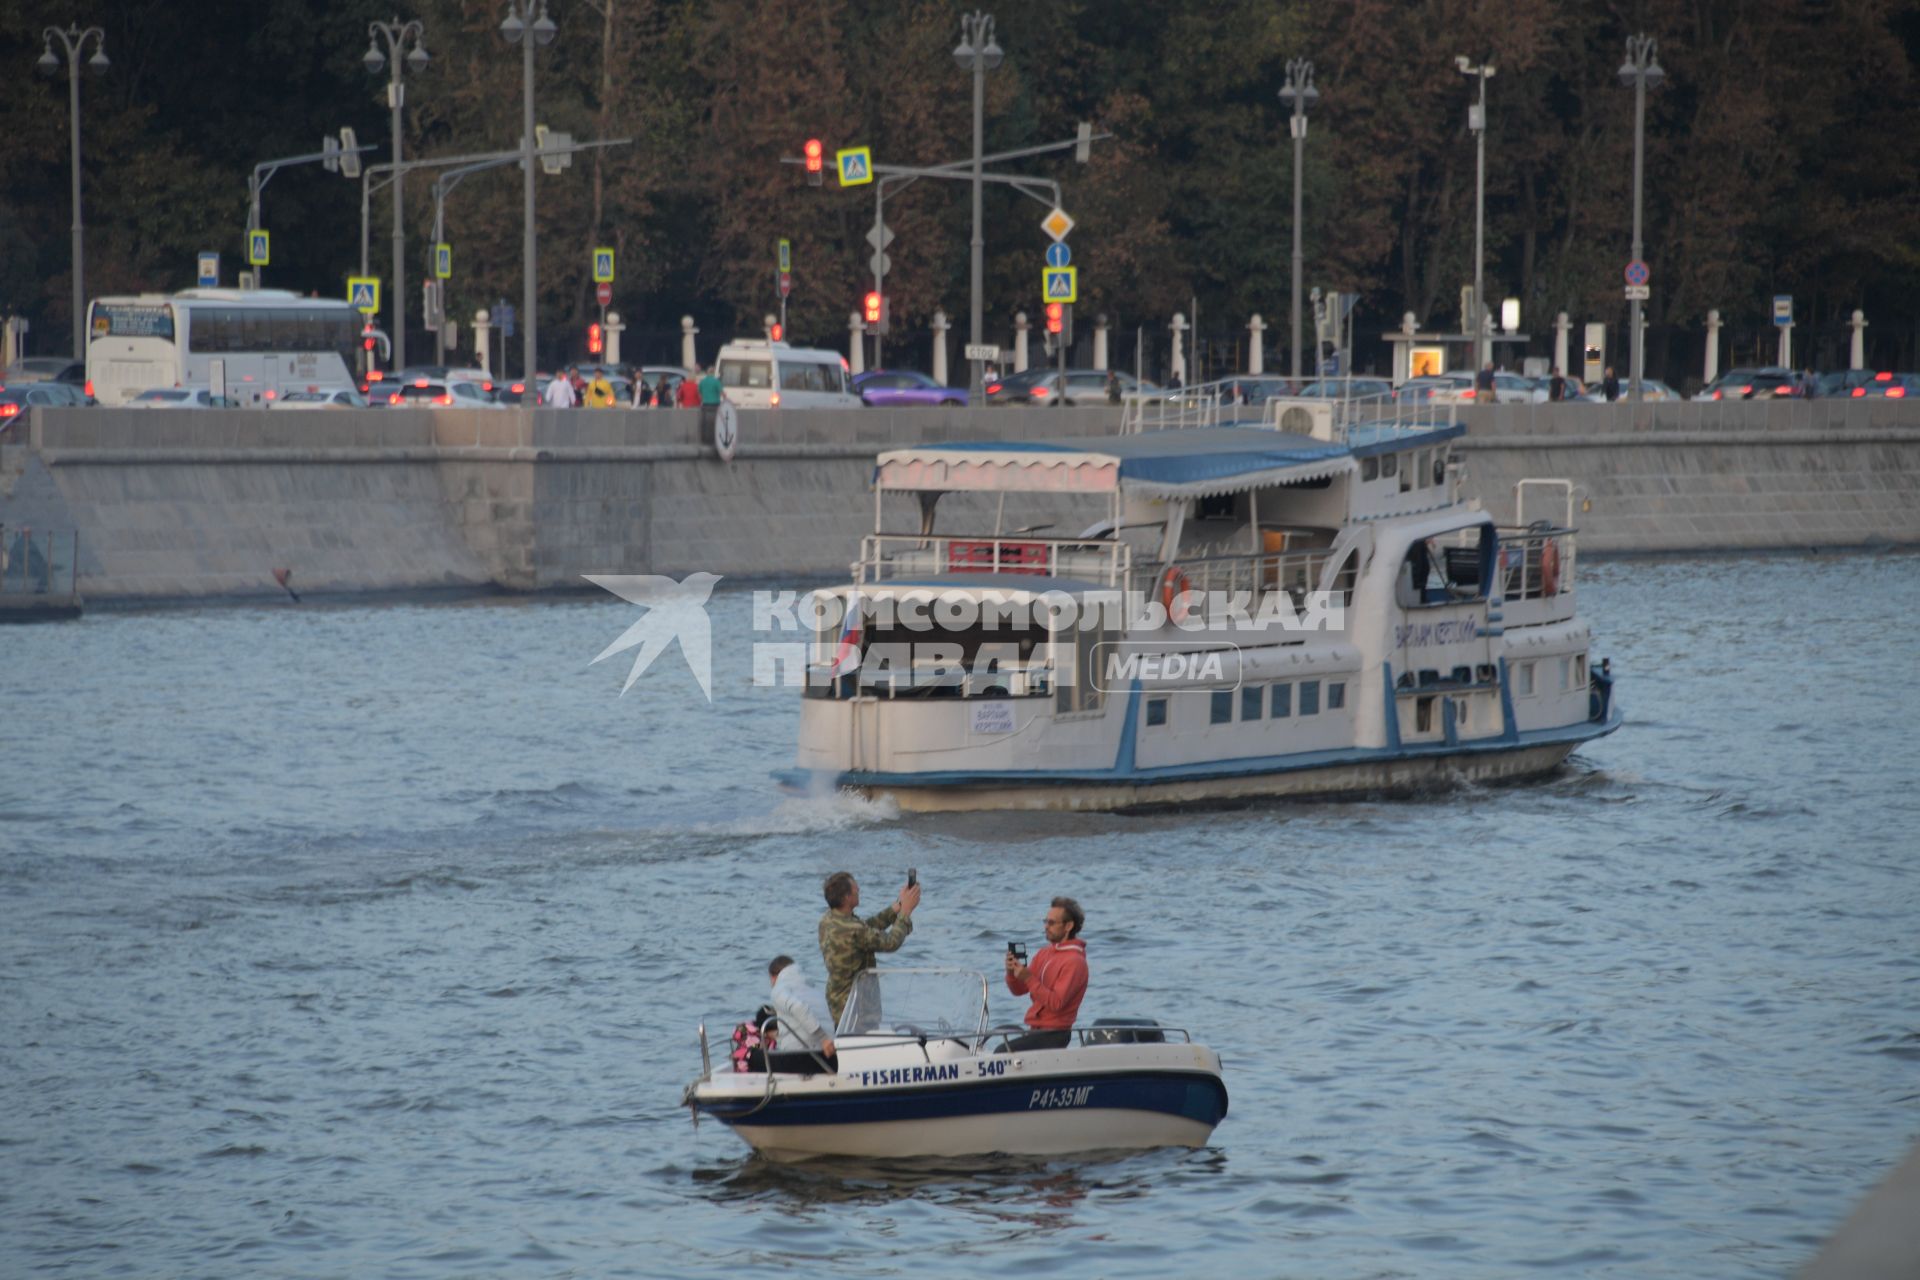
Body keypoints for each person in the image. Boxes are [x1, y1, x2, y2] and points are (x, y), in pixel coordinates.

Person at [817, 870, 919, 1027]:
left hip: (840, 1004)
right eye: (855, 888)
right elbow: (891, 942)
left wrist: (898, 907)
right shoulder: (853, 929)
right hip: (857, 1008)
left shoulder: (829, 919)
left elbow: (866, 928)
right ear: (846, 897)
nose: (858, 890)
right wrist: (905, 913)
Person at [1002, 896, 1088, 1052]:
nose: (1046, 927)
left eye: (1052, 923)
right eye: (1045, 922)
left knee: (1002, 1053)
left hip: (1055, 1033)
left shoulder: (1075, 961)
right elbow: (1019, 990)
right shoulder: (1044, 953)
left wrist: (1028, 978)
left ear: (1068, 926)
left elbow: (1056, 1003)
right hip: (1035, 1030)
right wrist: (1011, 972)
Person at [765, 955, 836, 1073]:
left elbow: (798, 1007)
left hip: (801, 1059)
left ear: (773, 977)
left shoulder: (779, 989)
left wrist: (823, 1038)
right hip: (830, 1058)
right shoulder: (813, 987)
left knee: (751, 1057)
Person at [697, 363, 724, 434]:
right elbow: (721, 393)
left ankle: (705, 434)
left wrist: (703, 399)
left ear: (707, 373)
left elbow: (699, 393)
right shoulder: (716, 381)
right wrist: (726, 400)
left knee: (705, 422)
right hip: (715, 405)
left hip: (705, 404)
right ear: (713, 373)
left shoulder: (702, 382)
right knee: (717, 421)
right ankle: (715, 434)